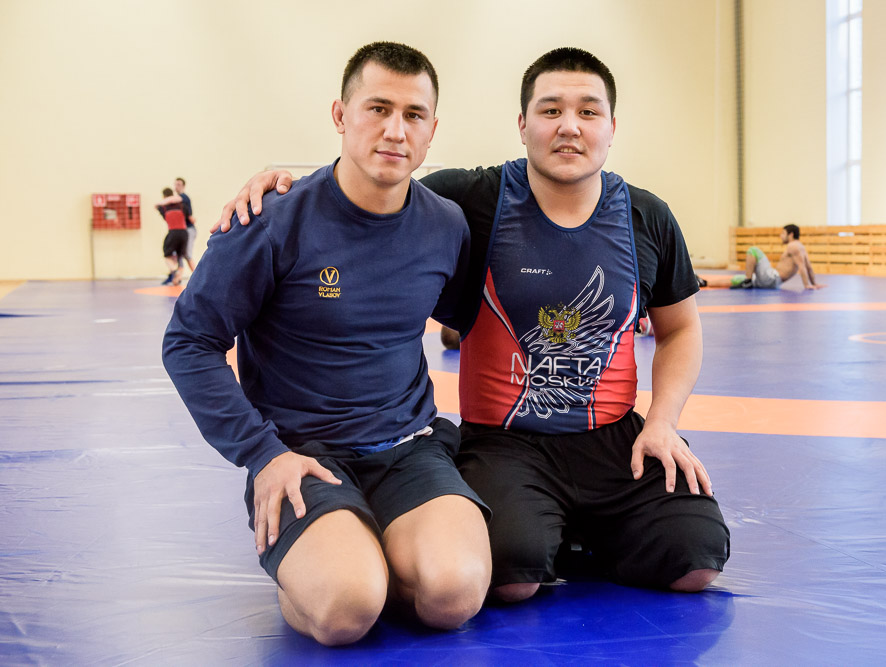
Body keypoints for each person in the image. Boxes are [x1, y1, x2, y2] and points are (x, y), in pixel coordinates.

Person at [215, 47, 730, 603]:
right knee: (509, 576)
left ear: (611, 127)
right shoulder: (471, 199)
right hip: (506, 442)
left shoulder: (646, 216)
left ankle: (572, 535)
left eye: (588, 111)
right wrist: (282, 189)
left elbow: (680, 329)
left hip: (614, 438)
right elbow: (373, 182)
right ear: (523, 124)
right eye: (551, 110)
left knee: (696, 560)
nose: (569, 127)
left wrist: (662, 423)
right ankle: (521, 536)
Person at [162, 42, 491, 647]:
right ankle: (332, 563)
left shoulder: (446, 225)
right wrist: (262, 454)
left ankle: (374, 548)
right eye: (377, 109)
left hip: (408, 449)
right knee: (347, 608)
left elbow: (465, 317)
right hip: (301, 457)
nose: (395, 131)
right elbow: (190, 341)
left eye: (414, 115)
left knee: (455, 594)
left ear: (432, 130)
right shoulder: (271, 219)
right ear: (341, 115)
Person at [700, 224, 826, 290]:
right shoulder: (801, 248)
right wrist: (814, 283)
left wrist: (807, 285)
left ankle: (748, 281)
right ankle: (704, 283)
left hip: (772, 278)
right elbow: (809, 267)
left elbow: (802, 267)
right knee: (737, 279)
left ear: (791, 234)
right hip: (771, 281)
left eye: (783, 233)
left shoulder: (793, 246)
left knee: (753, 250)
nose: (781, 236)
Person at [154, 187, 189, 286]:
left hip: (173, 232)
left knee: (167, 255)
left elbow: (156, 206)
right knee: (180, 256)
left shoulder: (163, 208)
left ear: (164, 197)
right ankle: (177, 279)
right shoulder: (182, 206)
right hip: (184, 233)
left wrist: (164, 202)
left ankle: (174, 270)